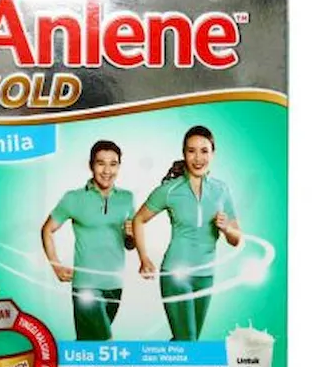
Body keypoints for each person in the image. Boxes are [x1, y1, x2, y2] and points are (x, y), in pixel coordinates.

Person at [132, 126, 241, 341]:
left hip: (206, 275)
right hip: (176, 274)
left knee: (188, 344)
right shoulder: (171, 190)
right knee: (188, 341)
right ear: (184, 153)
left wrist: (226, 228)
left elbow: (236, 239)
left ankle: (162, 363)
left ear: (213, 153)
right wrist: (144, 258)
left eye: (204, 151)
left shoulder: (221, 190)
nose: (198, 158)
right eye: (191, 151)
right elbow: (138, 219)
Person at [42, 140, 135, 340]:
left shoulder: (127, 198)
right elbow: (47, 230)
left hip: (115, 284)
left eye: (113, 164)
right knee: (105, 343)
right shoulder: (73, 198)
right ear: (91, 165)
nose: (107, 170)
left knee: (89, 344)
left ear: (119, 166)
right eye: (101, 163)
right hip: (86, 285)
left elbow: (130, 244)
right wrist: (56, 265)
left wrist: (132, 236)